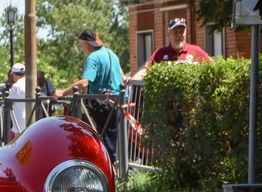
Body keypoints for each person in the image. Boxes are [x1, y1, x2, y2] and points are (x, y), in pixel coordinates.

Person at [54, 29, 124, 161]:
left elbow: (85, 82)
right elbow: (122, 75)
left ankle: (105, 169)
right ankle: (115, 168)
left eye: (81, 45)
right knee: (112, 141)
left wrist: (62, 92)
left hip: (101, 104)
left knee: (101, 141)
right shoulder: (111, 54)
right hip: (117, 101)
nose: (81, 48)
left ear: (86, 44)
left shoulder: (93, 57)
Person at [133, 18, 211, 80]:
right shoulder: (160, 53)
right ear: (168, 34)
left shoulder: (195, 51)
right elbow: (146, 70)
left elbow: (212, 66)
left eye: (182, 32)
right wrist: (132, 80)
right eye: (175, 32)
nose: (179, 35)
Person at [7, 63, 27, 133]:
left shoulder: (16, 86)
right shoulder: (31, 83)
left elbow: (9, 102)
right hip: (31, 117)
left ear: (14, 74)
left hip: (19, 119)